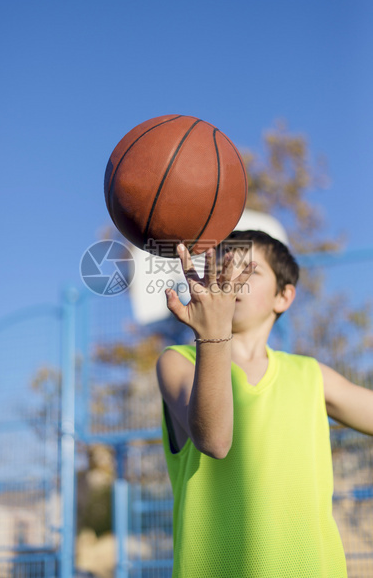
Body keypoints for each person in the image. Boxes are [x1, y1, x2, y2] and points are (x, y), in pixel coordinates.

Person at [156, 230, 373, 578]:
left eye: (249, 271)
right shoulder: (179, 361)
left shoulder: (311, 374)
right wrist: (213, 332)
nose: (231, 280)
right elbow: (215, 440)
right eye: (223, 268)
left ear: (283, 296)